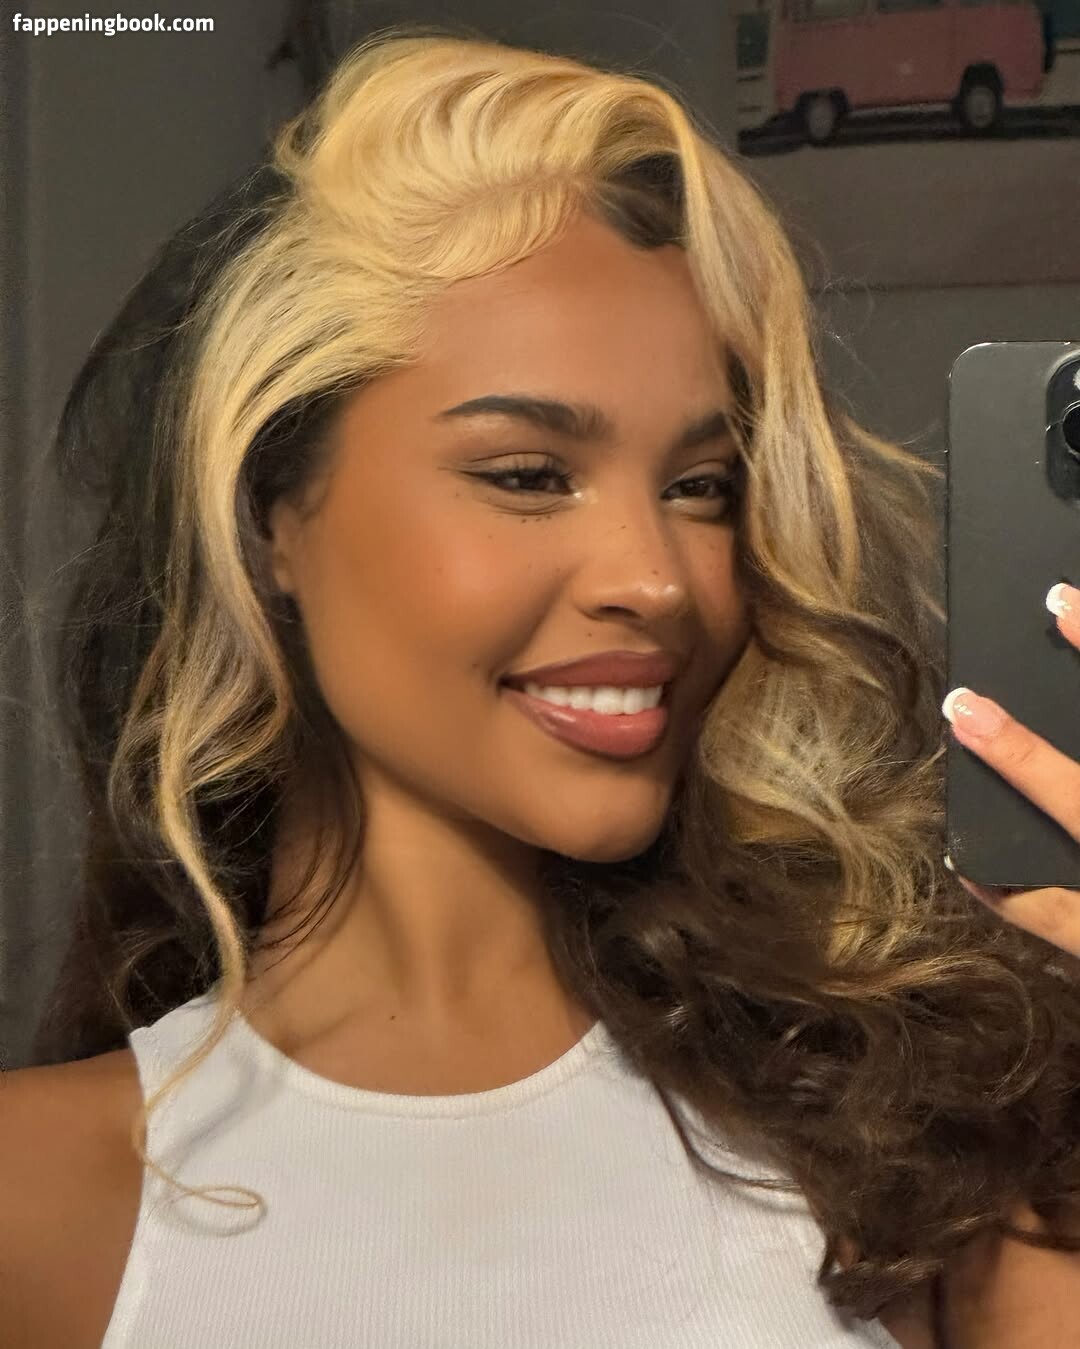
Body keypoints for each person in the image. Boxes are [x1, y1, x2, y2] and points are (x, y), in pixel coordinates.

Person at [3, 24, 1080, 1349]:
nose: (658, 578)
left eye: (702, 486)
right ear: (271, 516)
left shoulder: (912, 1161)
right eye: (527, 474)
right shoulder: (39, 1207)